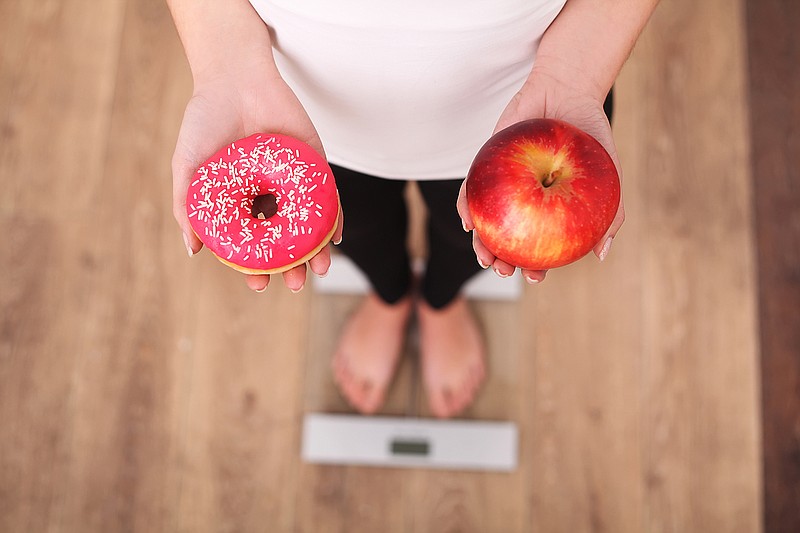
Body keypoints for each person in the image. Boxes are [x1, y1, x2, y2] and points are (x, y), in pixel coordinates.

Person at [167, 0, 659, 418]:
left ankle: (442, 300)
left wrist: (577, 72)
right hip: (291, 109)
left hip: (528, 111)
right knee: (355, 228)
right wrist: (223, 62)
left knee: (467, 236)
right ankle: (389, 294)